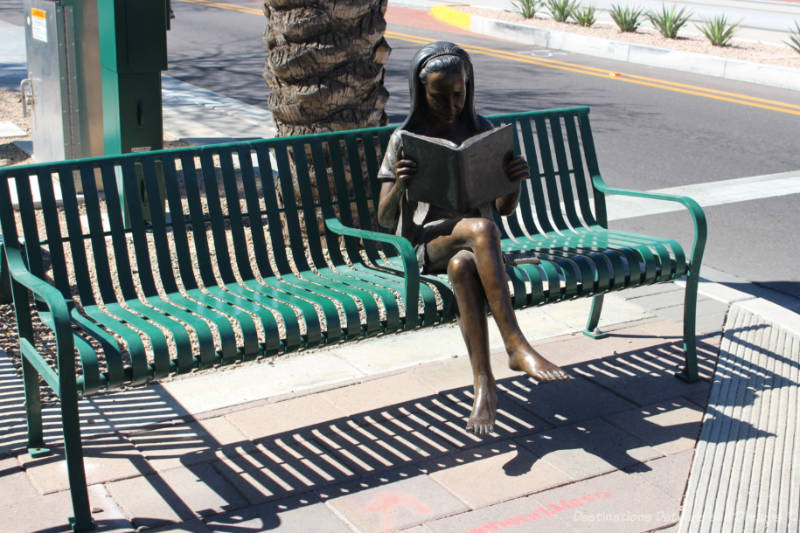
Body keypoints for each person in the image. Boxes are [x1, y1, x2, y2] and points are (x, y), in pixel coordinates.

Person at [377, 41, 569, 436]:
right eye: (439, 97)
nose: (450, 105)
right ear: (420, 93)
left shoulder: (483, 131)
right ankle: (515, 344)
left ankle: (484, 387)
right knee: (480, 230)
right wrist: (399, 185)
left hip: (469, 251)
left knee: (464, 266)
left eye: (458, 95)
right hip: (425, 244)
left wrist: (513, 181)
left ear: (469, 88)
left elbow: (503, 207)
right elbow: (383, 219)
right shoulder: (405, 138)